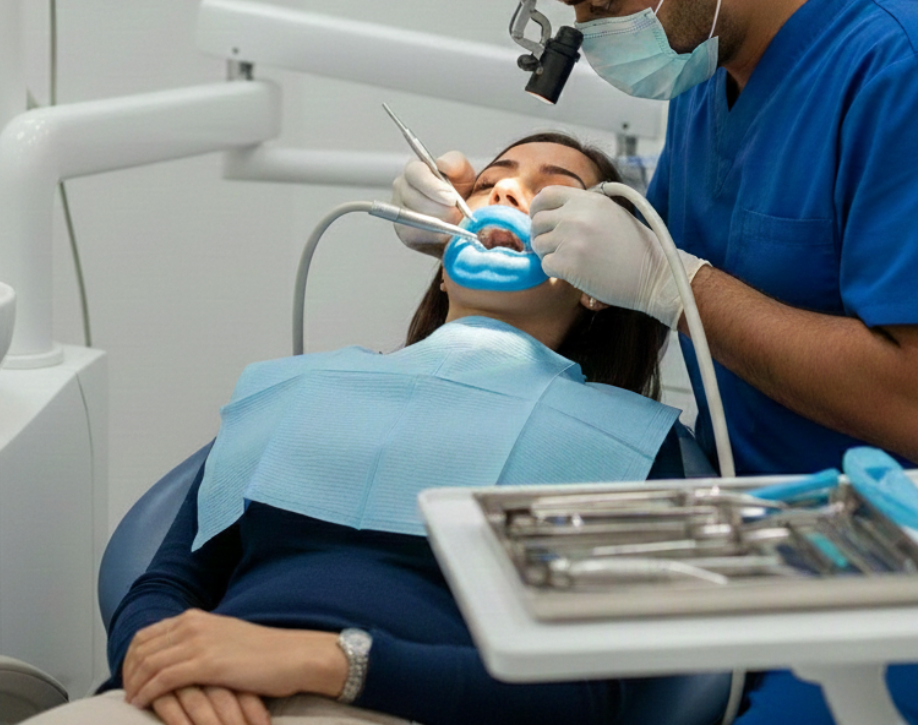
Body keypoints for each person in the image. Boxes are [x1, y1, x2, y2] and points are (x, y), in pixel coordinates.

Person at [396, 0, 918, 724]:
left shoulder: (916, 77)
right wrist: (476, 217)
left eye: (604, 2)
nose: (591, 36)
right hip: (757, 537)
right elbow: (625, 283)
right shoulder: (707, 80)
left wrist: (672, 280)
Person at [54, 134, 698, 725]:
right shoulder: (298, 390)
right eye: (487, 183)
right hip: (194, 699)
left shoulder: (625, 446)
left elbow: (584, 694)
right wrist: (169, 670)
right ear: (440, 248)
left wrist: (328, 662)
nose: (503, 191)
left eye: (552, 195)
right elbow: (167, 586)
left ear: (596, 281)